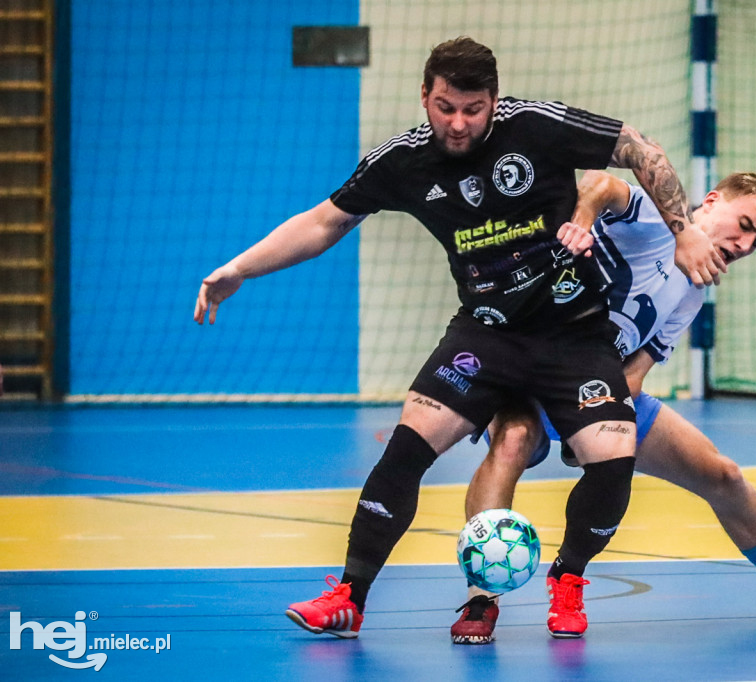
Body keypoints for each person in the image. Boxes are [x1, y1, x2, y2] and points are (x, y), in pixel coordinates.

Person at [193, 36, 727, 639]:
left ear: (494, 103)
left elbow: (639, 149)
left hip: (574, 336)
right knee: (406, 449)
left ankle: (569, 581)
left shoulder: (536, 125)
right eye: (445, 106)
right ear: (425, 95)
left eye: (473, 109)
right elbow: (325, 221)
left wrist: (683, 231)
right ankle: (348, 595)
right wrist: (237, 268)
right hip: (486, 334)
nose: (458, 122)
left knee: (613, 458)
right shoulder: (402, 161)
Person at [449, 170, 756, 644]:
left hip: (599, 388)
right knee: (512, 442)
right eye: (743, 225)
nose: (742, 246)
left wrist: (595, 419)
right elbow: (599, 184)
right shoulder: (654, 217)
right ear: (711, 202)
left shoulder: (693, 291)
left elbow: (633, 376)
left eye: (755, 244)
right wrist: (580, 223)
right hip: (527, 366)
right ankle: (481, 600)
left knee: (724, 475)